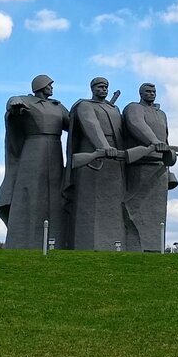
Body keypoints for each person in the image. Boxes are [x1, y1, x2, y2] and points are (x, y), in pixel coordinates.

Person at [0, 74, 70, 249]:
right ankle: (24, 238)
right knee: (31, 191)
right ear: (40, 86)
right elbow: (13, 103)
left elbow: (74, 123)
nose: (52, 87)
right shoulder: (26, 101)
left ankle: (56, 239)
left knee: (54, 194)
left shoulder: (57, 107)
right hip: (33, 149)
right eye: (49, 85)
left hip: (55, 149)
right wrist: (13, 105)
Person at [65, 77, 126, 250]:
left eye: (106, 87)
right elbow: (92, 126)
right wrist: (104, 147)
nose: (104, 89)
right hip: (93, 156)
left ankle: (115, 244)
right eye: (100, 87)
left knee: (114, 204)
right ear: (92, 88)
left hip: (114, 158)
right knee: (90, 203)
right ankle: (87, 244)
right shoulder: (85, 105)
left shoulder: (114, 109)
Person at [122, 83, 172, 252]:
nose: (151, 94)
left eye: (154, 91)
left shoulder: (161, 114)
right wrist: (153, 142)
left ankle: (155, 247)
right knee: (135, 208)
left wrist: (167, 157)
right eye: (148, 91)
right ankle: (136, 246)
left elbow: (165, 138)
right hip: (141, 165)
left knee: (157, 213)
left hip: (159, 165)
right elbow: (137, 125)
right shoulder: (134, 108)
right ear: (141, 93)